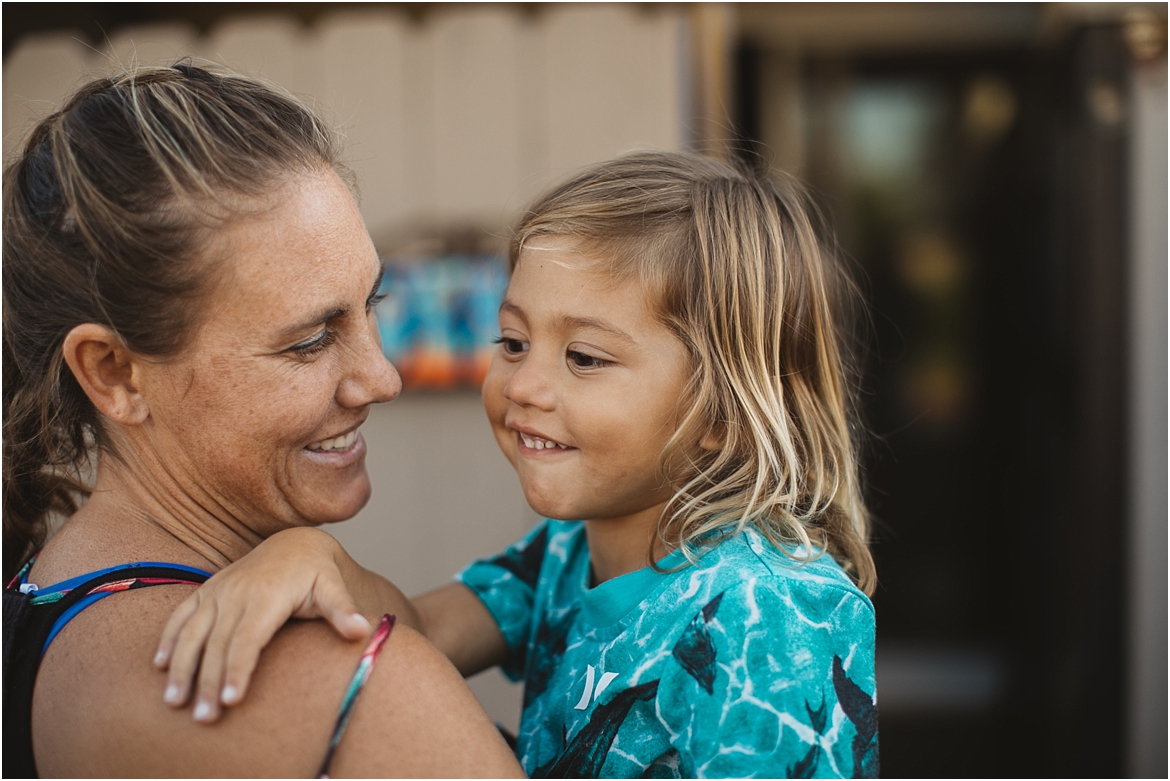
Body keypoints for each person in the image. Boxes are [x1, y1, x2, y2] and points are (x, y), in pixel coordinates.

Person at [156, 151, 880, 778]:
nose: (524, 385)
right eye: (512, 341)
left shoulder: (768, 611)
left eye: (584, 358)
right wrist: (306, 554)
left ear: (722, 414)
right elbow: (419, 631)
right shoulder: (563, 558)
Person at [1, 63, 523, 778]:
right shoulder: (353, 693)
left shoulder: (37, 611)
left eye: (373, 304)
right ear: (115, 372)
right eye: (309, 339)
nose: (383, 377)